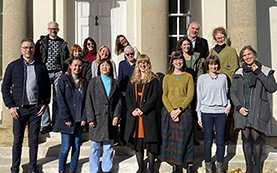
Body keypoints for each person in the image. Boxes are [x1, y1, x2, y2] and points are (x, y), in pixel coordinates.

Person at [2, 38, 51, 173]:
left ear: (34, 49)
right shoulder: (13, 66)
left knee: (33, 140)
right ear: (21, 49)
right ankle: (14, 168)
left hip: (35, 109)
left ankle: (32, 167)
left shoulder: (41, 66)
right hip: (19, 109)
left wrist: (45, 103)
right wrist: (11, 106)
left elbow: (47, 87)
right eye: (25, 47)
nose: (28, 50)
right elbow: (5, 87)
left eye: (30, 47)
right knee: (17, 140)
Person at [230, 45, 277, 173]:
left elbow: (272, 87)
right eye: (244, 55)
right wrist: (238, 107)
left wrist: (259, 73)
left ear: (254, 55)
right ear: (242, 58)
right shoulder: (239, 72)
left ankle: (257, 168)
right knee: (246, 138)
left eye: (249, 54)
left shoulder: (265, 71)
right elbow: (233, 92)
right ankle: (249, 167)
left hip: (257, 110)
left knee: (256, 138)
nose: (247, 57)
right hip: (243, 110)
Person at [159, 51, 194, 173]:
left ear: (183, 61)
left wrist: (178, 110)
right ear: (172, 62)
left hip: (184, 112)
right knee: (171, 139)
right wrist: (171, 111)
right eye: (175, 60)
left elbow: (190, 96)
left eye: (180, 59)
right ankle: (174, 165)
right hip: (169, 112)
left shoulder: (188, 76)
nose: (178, 62)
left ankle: (189, 164)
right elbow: (164, 95)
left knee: (185, 139)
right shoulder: (167, 77)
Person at [124, 54, 160, 173]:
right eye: (140, 63)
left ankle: (150, 168)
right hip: (135, 117)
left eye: (145, 62)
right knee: (138, 144)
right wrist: (132, 109)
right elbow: (128, 96)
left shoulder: (154, 79)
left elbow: (154, 97)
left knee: (150, 142)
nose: (143, 65)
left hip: (147, 115)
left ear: (148, 64)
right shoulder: (133, 79)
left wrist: (143, 109)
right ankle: (140, 167)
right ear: (137, 65)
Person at [196, 55, 231, 173]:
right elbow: (199, 97)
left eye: (215, 64)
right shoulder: (202, 78)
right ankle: (209, 168)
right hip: (206, 112)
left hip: (221, 112)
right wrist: (199, 115)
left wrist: (229, 104)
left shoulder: (223, 77)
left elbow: (226, 93)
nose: (213, 66)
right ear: (207, 65)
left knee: (220, 141)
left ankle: (220, 168)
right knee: (208, 141)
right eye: (211, 64)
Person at [86, 59, 121, 173]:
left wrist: (116, 116)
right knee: (95, 147)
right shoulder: (93, 81)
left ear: (111, 68)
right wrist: (90, 118)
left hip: (110, 119)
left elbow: (118, 101)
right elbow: (88, 101)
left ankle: (107, 169)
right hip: (97, 118)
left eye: (107, 65)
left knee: (108, 146)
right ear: (99, 68)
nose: (105, 67)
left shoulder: (115, 82)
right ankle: (94, 170)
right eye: (102, 65)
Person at [53, 57, 88, 173]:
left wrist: (84, 118)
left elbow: (86, 102)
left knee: (77, 145)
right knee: (65, 147)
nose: (77, 68)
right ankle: (61, 169)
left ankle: (73, 168)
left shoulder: (84, 82)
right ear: (70, 66)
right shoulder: (63, 80)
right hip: (67, 120)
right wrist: (66, 117)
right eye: (75, 65)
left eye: (79, 66)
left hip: (79, 120)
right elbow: (60, 100)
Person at [35, 21, 69, 134]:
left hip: (58, 73)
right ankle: (45, 123)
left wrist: (63, 71)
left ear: (58, 30)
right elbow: (37, 57)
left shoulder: (62, 43)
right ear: (48, 29)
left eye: (55, 29)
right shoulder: (41, 42)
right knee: (43, 98)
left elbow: (67, 58)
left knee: (58, 98)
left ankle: (56, 122)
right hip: (45, 73)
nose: (53, 31)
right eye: (51, 29)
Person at [209, 26, 238, 143]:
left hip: (226, 83)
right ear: (215, 39)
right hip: (213, 86)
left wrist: (222, 75)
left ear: (225, 37)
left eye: (222, 37)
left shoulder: (231, 51)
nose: (220, 40)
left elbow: (234, 69)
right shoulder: (211, 51)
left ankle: (225, 136)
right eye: (217, 38)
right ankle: (213, 135)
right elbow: (208, 66)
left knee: (226, 111)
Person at [117, 45, 137, 145]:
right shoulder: (122, 64)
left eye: (131, 54)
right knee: (124, 117)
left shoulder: (137, 64)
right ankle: (123, 137)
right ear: (125, 55)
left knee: (134, 117)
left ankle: (132, 138)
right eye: (128, 54)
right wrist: (121, 91)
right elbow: (120, 78)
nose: (130, 56)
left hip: (136, 94)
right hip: (125, 94)